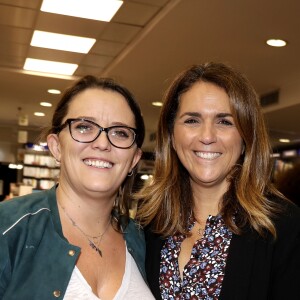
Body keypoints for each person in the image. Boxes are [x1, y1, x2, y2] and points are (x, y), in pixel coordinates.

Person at [136, 62, 300, 299]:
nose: (207, 136)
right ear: (171, 135)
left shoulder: (283, 226)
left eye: (224, 121)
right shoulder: (149, 220)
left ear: (246, 137)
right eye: (192, 120)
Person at [0, 75, 155, 299]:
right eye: (84, 127)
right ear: (56, 147)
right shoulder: (8, 227)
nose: (102, 143)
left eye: (120, 132)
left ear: (134, 159)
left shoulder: (143, 241)